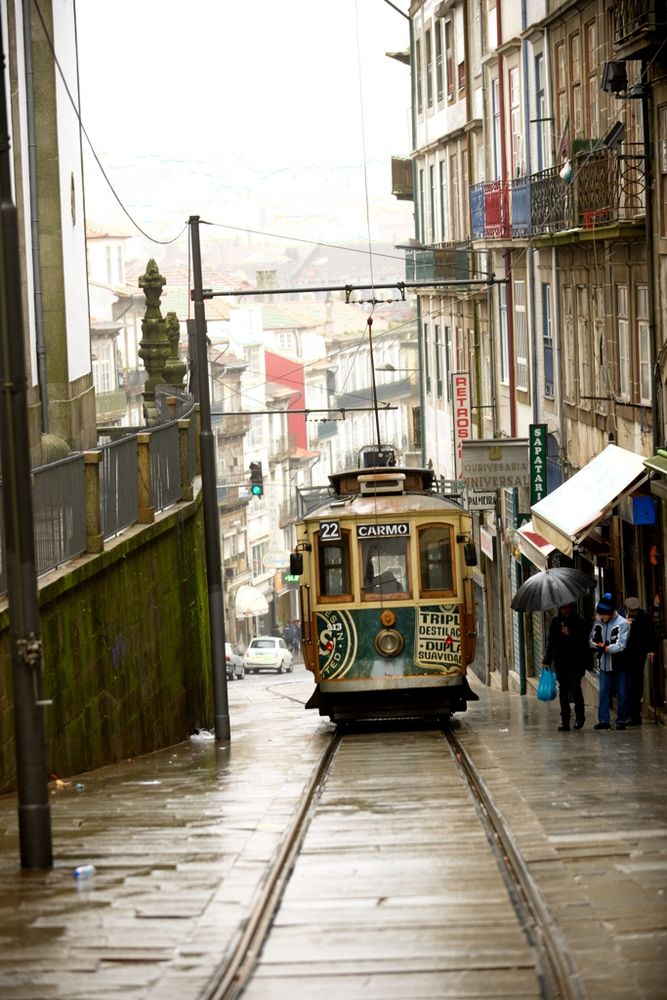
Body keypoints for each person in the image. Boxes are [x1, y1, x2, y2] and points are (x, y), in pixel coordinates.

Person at [542, 602, 590, 731]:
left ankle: (580, 717)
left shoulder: (579, 622)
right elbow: (551, 642)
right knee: (563, 691)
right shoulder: (555, 622)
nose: (566, 610)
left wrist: (570, 634)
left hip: (576, 662)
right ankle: (565, 720)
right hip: (561, 662)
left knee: (575, 688)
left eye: (568, 607)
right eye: (563, 608)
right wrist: (547, 660)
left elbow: (584, 643)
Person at [589, 592, 631, 730]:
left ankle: (622, 720)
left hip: (620, 664)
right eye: (600, 614)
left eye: (604, 614)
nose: (602, 617)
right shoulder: (599, 622)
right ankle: (603, 720)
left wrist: (606, 648)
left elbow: (621, 645)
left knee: (622, 693)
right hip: (604, 664)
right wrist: (598, 646)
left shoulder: (623, 623)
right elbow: (591, 640)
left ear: (611, 612)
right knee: (603, 693)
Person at [622, 596, 657, 725]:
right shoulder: (621, 617)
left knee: (635, 684)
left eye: (636, 611)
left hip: (638, 654)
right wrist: (625, 624)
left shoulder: (644, 617)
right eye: (632, 611)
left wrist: (651, 650)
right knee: (625, 684)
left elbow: (651, 635)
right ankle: (627, 714)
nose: (634, 613)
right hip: (623, 655)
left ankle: (635, 714)